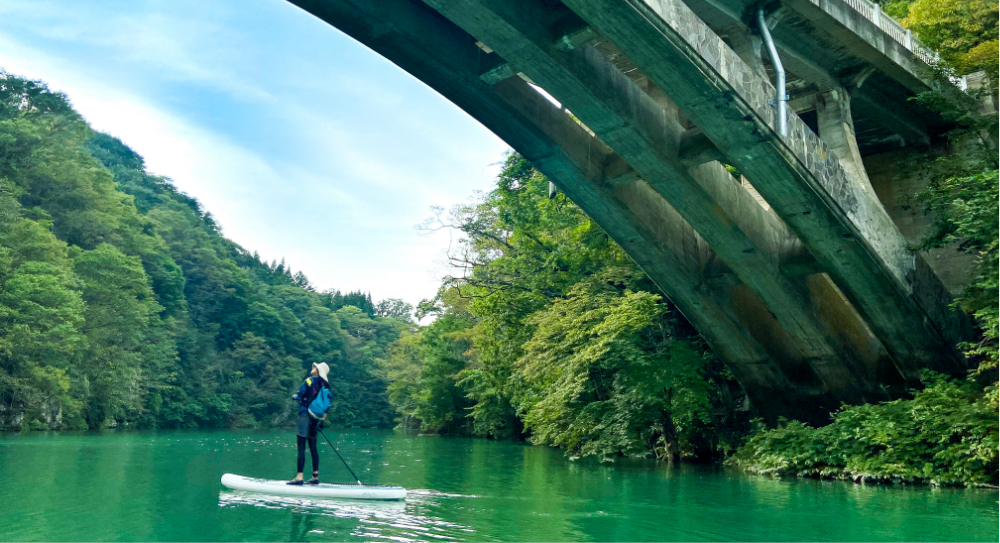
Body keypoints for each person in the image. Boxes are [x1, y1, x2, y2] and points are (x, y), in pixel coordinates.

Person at [287, 362, 331, 485]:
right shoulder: (325, 385)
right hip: (316, 418)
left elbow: (299, 395)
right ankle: (315, 477)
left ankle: (299, 478)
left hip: (305, 414)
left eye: (315, 368)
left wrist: (295, 396)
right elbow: (327, 404)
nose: (312, 369)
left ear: (318, 371)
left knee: (301, 446)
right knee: (313, 447)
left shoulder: (309, 381)